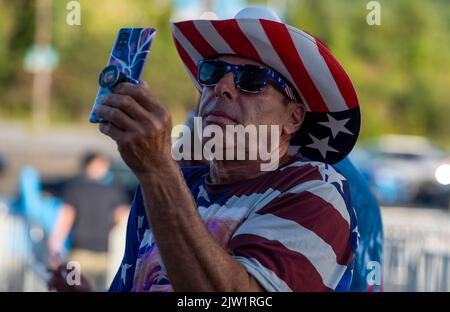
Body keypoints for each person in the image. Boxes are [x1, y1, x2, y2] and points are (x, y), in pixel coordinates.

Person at [50, 7, 361, 292]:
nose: (222, 86)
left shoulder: (316, 193)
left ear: (293, 118)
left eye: (252, 80)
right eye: (212, 72)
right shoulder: (172, 187)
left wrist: (158, 169)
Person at [47, 152, 130, 291]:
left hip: (80, 253)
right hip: (104, 254)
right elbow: (123, 218)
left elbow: (65, 217)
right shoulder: (115, 190)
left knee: (75, 289)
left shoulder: (74, 188)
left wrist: (55, 244)